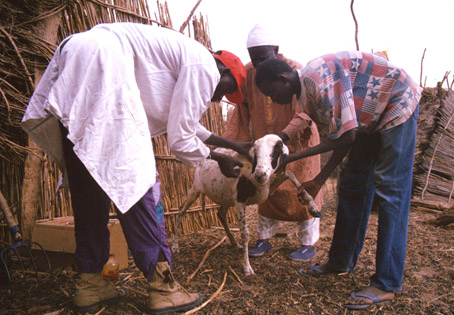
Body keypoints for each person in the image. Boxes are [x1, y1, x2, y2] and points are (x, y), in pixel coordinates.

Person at [21, 22, 250, 314]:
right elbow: (181, 140)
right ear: (224, 70)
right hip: (105, 63)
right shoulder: (204, 65)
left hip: (78, 55)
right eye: (227, 89)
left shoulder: (175, 55)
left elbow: (186, 124)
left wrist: (229, 146)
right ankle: (163, 287)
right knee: (135, 180)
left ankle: (90, 284)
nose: (219, 98)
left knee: (90, 179)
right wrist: (219, 158)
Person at [254, 51, 421, 309]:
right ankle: (341, 261)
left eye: (271, 92)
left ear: (283, 78)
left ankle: (387, 283)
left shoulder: (315, 80)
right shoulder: (305, 98)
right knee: (353, 186)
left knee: (391, 192)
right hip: (369, 119)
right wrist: (320, 180)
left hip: (397, 102)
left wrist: (294, 158)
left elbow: (346, 137)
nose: (271, 99)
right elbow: (346, 133)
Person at [223, 24, 323, 262]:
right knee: (265, 188)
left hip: (297, 142)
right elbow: (242, 109)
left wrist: (283, 137)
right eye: (253, 59)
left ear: (276, 51)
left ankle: (308, 244)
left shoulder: (295, 71)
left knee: (301, 189)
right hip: (263, 144)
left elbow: (306, 113)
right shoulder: (249, 73)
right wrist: (233, 144)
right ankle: (264, 239)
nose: (258, 64)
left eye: (262, 57)